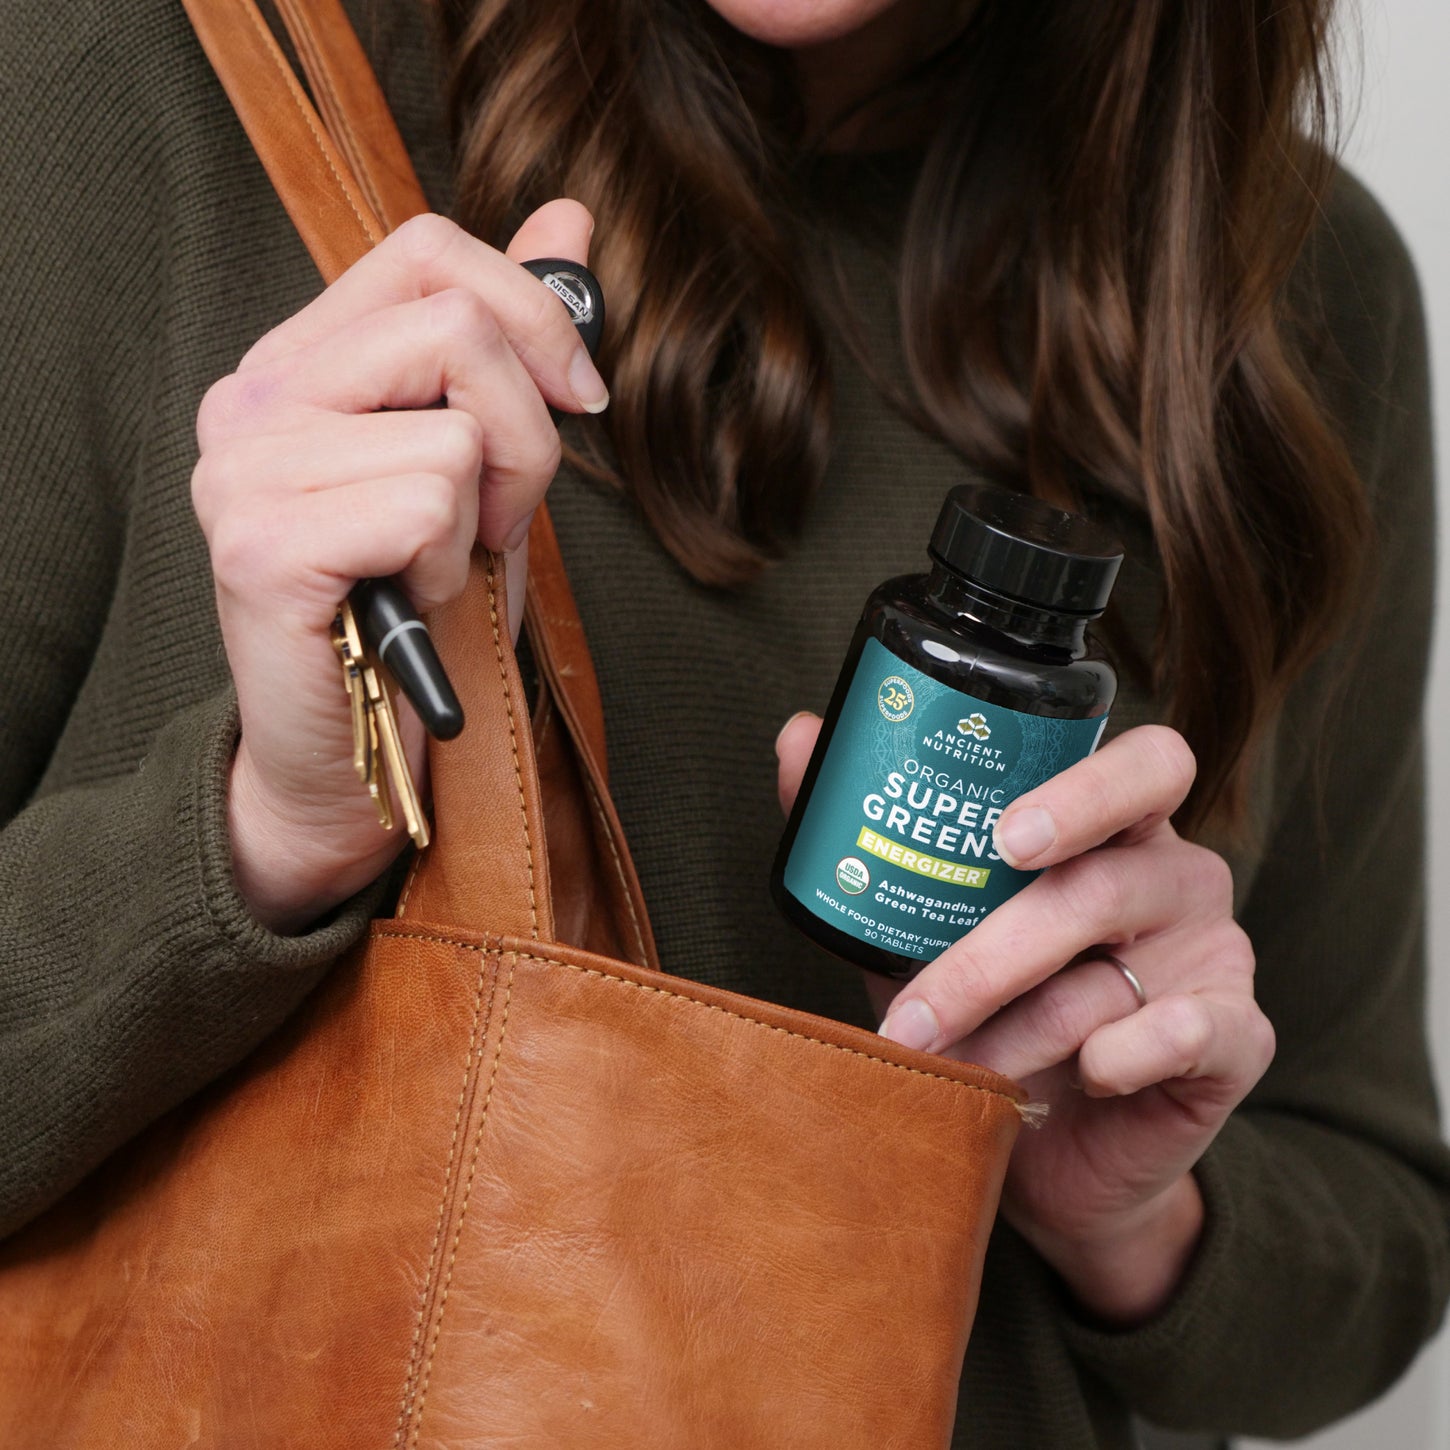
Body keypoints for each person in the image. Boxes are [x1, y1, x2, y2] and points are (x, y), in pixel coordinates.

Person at [0, 0, 1445, 1445]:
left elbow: (1374, 1235)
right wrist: (270, 831)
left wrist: (1127, 1214)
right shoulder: (138, 86)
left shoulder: (1287, 292)